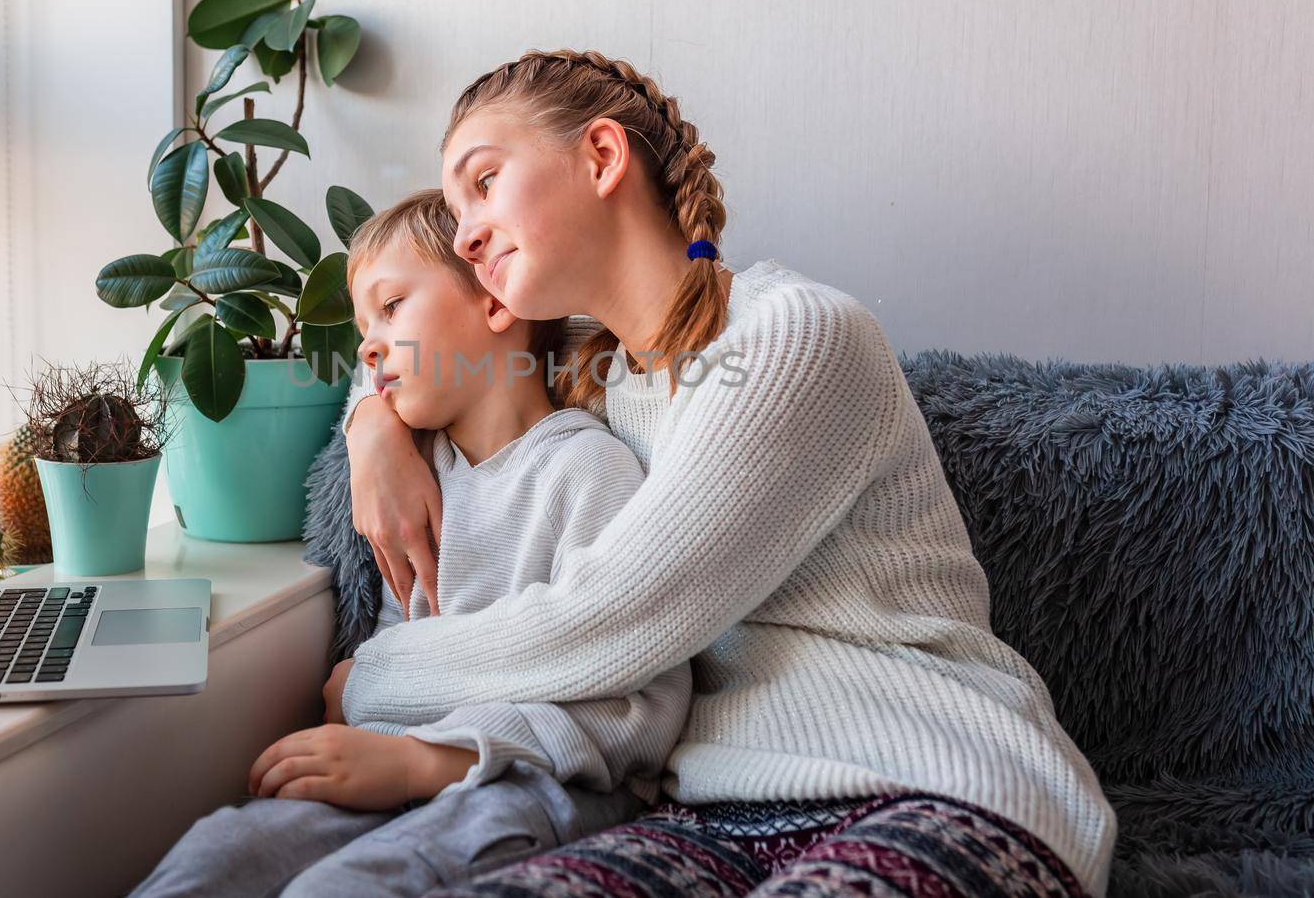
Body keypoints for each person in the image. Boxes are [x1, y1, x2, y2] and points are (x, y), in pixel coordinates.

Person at [329, 50, 1118, 897]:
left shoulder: (795, 336)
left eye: (483, 182)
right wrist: (370, 429)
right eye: (453, 211)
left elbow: (611, 617)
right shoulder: (597, 389)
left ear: (601, 157)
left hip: (940, 783)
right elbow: (431, 361)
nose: (466, 234)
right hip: (713, 814)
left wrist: (373, 675)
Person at [128, 190, 690, 898]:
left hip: (537, 783)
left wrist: (425, 761)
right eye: (364, 323)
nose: (367, 344)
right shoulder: (419, 475)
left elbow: (638, 713)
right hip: (396, 765)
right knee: (219, 854)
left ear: (495, 303)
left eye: (391, 308)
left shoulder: (587, 471)